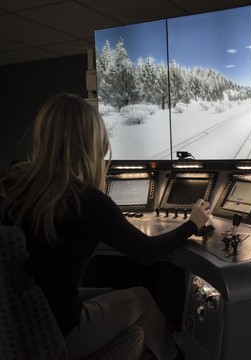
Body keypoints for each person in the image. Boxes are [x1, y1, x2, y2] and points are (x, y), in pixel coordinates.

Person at [0, 93, 210, 360]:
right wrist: (193, 223)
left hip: (15, 325)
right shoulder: (85, 200)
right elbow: (146, 252)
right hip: (57, 333)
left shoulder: (11, 186)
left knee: (110, 294)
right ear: (92, 143)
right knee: (142, 298)